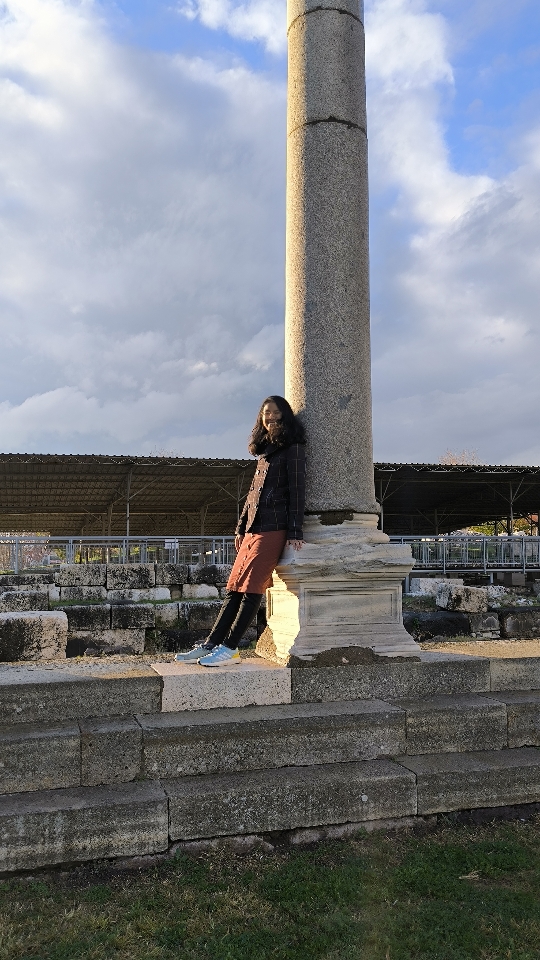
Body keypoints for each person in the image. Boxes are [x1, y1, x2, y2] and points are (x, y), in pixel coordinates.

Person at [175, 395, 306, 666]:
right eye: (266, 413)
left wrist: (295, 530)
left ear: (285, 416)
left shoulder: (292, 449)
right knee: (234, 588)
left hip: (274, 527)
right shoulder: (265, 451)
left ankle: (231, 648)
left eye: (276, 413)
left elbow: (297, 491)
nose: (271, 417)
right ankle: (211, 644)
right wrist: (240, 527)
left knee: (252, 588)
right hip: (253, 528)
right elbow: (252, 495)